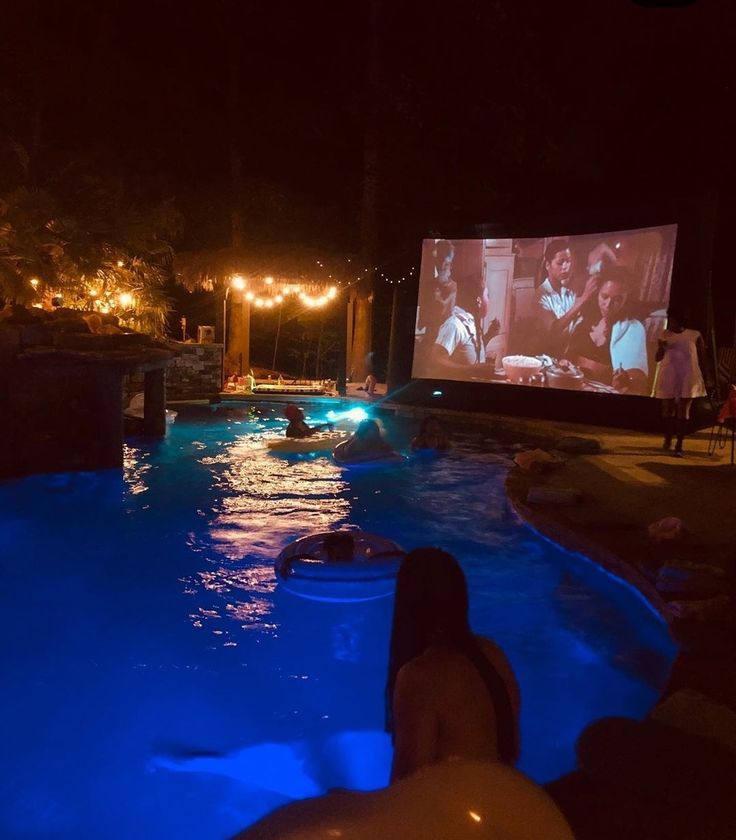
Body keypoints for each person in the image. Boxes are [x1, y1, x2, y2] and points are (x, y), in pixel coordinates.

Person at [386, 548, 520, 782]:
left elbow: (408, 784)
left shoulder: (419, 675)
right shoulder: (493, 653)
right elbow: (512, 749)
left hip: (455, 810)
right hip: (503, 799)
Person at [565, 265, 648, 394]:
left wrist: (625, 381)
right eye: (604, 296)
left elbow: (638, 380)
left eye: (617, 299)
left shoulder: (633, 328)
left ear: (627, 300)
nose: (608, 305)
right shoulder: (583, 321)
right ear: (596, 293)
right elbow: (568, 358)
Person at [654, 308, 708, 456]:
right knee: (667, 409)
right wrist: (661, 348)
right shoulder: (664, 334)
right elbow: (657, 358)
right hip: (669, 375)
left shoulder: (694, 335)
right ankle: (668, 436)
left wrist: (706, 377)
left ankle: (679, 443)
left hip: (689, 376)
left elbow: (702, 358)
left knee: (683, 410)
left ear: (679, 320)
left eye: (671, 319)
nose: (669, 322)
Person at [430, 270, 499, 380]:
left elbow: (467, 349)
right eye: (487, 295)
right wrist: (473, 370)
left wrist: (489, 335)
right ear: (479, 300)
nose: (489, 300)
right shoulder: (454, 325)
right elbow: (436, 361)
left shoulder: (472, 322)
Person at [536, 239, 599, 358]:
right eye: (560, 263)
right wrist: (583, 298)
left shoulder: (568, 291)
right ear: (548, 265)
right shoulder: (540, 296)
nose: (566, 267)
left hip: (568, 357)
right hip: (546, 359)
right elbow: (554, 330)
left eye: (568, 261)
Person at [333, 418, 398, 462]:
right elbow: (346, 457)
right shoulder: (357, 441)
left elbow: (389, 451)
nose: (373, 433)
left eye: (374, 430)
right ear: (364, 431)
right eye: (371, 431)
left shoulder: (377, 440)